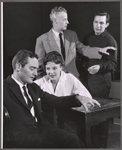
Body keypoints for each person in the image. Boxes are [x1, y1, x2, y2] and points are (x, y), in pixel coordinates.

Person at [4, 49, 100, 148]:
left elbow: (56, 100)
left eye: (36, 69)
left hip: (42, 128)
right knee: (51, 146)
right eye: (32, 69)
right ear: (18, 66)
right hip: (21, 136)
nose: (36, 74)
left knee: (72, 139)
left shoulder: (33, 87)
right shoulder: (3, 88)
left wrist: (78, 98)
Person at [35, 6, 116, 79]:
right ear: (55, 21)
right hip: (54, 81)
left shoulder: (72, 35)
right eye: (64, 19)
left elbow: (83, 49)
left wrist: (99, 50)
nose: (67, 22)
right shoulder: (42, 39)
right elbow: (38, 65)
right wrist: (41, 83)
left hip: (73, 79)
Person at [80, 11, 118, 148]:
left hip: (101, 81)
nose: (98, 26)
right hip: (87, 79)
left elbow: (113, 64)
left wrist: (100, 67)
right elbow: (83, 55)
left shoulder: (110, 40)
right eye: (96, 22)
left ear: (107, 24)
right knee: (89, 114)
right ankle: (91, 144)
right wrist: (85, 67)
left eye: (101, 23)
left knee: (101, 115)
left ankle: (102, 145)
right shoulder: (87, 37)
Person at [34, 51, 93, 137]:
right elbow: (28, 87)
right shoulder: (42, 82)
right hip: (48, 123)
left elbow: (87, 97)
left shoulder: (69, 78)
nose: (51, 72)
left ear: (61, 67)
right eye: (48, 69)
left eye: (54, 68)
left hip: (67, 120)